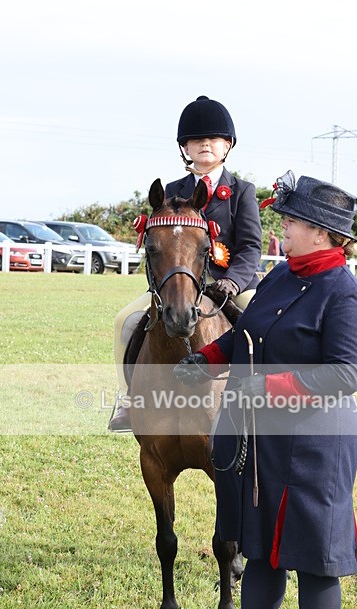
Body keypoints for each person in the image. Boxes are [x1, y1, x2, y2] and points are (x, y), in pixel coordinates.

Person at [174, 171, 357, 609]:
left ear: (321, 230)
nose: (281, 228)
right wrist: (205, 360)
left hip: (315, 444)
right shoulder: (280, 277)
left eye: (290, 220)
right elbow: (245, 335)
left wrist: (266, 388)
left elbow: (344, 375)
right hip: (260, 440)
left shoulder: (346, 297)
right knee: (260, 547)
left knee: (314, 558)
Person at [108, 95, 262, 432]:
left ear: (227, 146)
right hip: (178, 285)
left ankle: (259, 402)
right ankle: (128, 400)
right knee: (126, 320)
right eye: (196, 140)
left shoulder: (242, 191)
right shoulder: (170, 192)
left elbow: (251, 247)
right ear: (185, 149)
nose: (205, 144)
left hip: (228, 285)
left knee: (258, 324)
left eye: (214, 139)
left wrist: (233, 281)